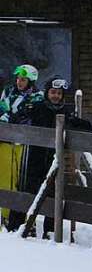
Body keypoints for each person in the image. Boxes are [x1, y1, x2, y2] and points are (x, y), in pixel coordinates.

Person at [8, 76, 92, 236]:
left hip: (53, 160)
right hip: (33, 157)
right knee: (27, 190)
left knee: (53, 193)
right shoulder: (37, 107)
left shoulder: (63, 111)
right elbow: (17, 118)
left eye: (59, 93)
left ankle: (50, 230)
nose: (56, 96)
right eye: (53, 92)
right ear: (47, 92)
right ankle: (16, 226)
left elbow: (75, 122)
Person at [0, 65, 43, 228]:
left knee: (21, 181)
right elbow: (3, 110)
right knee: (4, 179)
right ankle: (4, 216)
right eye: (18, 78)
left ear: (31, 81)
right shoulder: (8, 92)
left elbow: (32, 117)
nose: (19, 82)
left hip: (25, 144)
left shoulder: (37, 97)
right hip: (5, 141)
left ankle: (22, 220)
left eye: (23, 79)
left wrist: (17, 116)